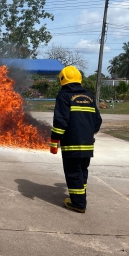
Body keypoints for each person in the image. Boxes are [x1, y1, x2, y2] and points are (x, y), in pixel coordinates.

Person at [50, 65, 102, 213]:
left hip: (72, 144)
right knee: (82, 171)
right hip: (88, 145)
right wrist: (89, 133)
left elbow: (60, 121)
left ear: (62, 79)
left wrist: (54, 140)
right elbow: (97, 121)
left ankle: (78, 204)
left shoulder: (64, 95)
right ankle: (81, 197)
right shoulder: (89, 96)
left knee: (73, 173)